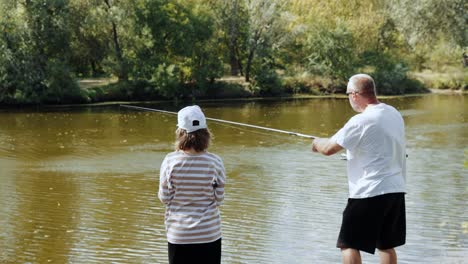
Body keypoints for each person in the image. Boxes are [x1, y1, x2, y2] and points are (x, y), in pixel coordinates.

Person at [312, 74, 406, 264]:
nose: (348, 98)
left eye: (347, 94)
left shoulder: (360, 121)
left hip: (368, 192)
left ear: (355, 94)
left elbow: (328, 148)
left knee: (349, 244)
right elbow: (377, 145)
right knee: (386, 244)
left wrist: (316, 143)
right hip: (395, 189)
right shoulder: (393, 113)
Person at [158, 105, 226, 264]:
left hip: (179, 234)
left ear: (180, 132)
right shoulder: (215, 162)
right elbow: (219, 198)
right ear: (206, 133)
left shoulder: (170, 161)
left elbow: (164, 198)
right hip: (209, 233)